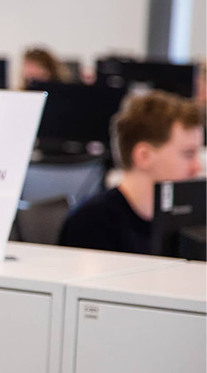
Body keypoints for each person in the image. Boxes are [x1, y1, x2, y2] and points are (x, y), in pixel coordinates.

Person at [58, 90, 203, 255]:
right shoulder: (92, 224)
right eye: (188, 154)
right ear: (144, 156)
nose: (196, 166)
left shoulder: (180, 222)